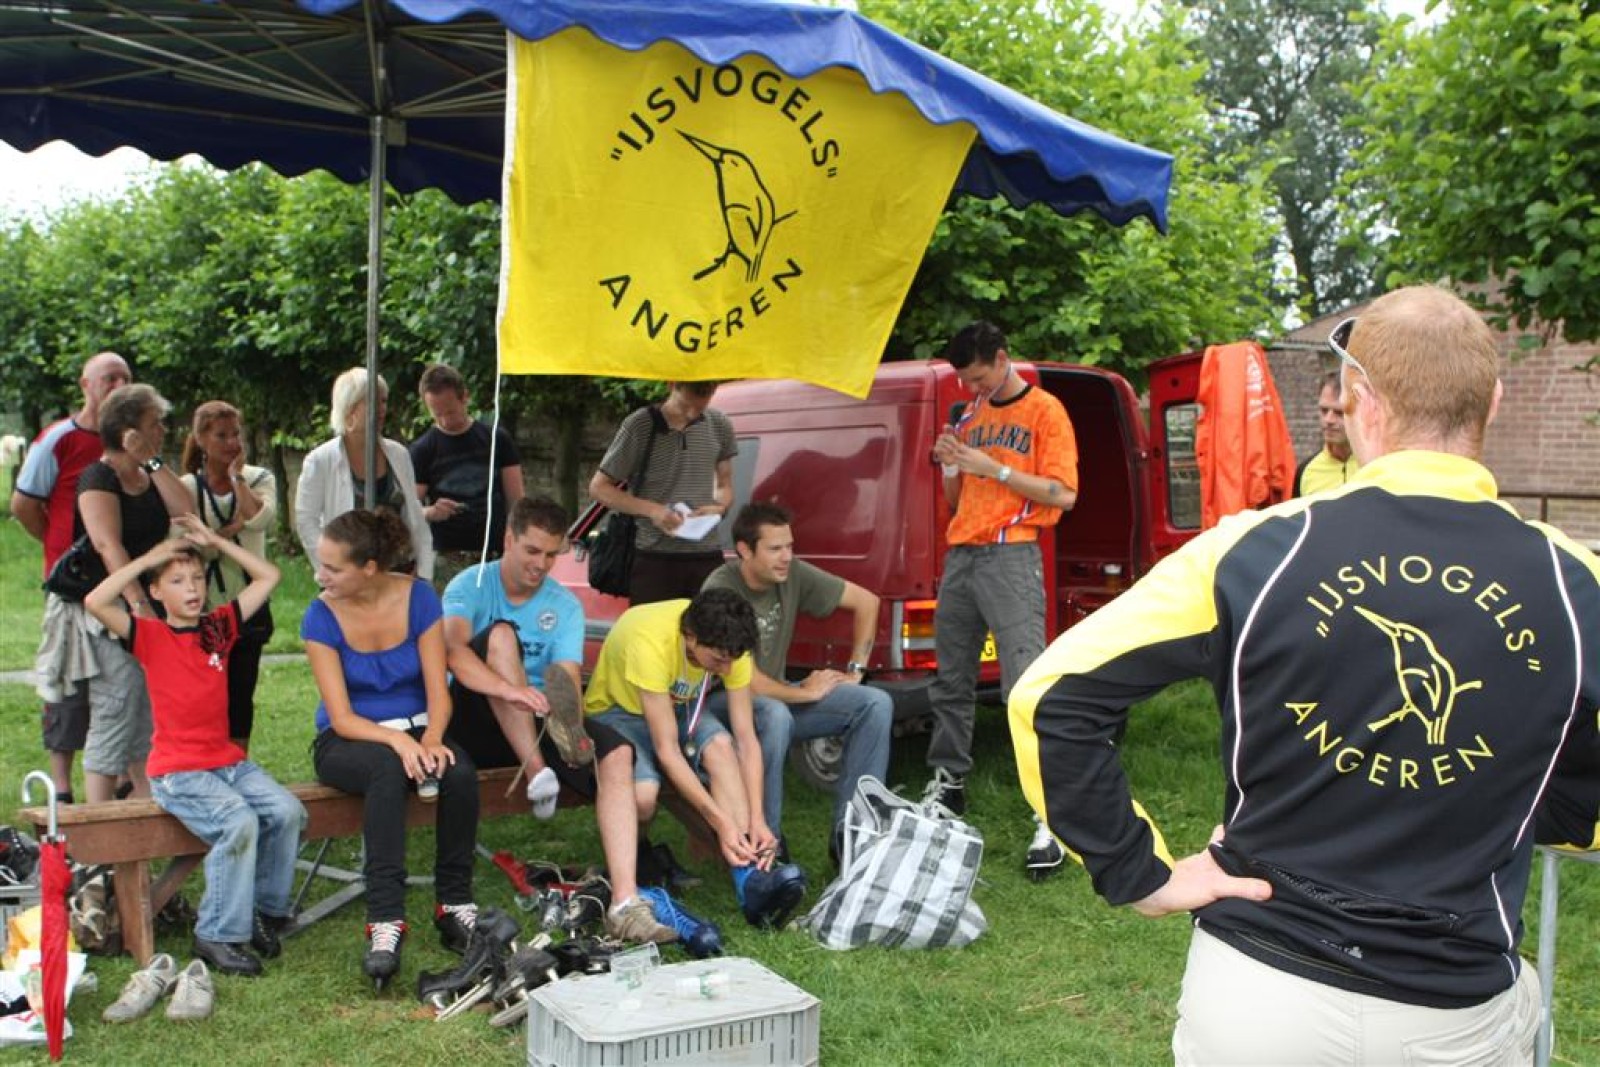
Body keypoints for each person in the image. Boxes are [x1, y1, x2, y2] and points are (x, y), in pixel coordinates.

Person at [1009, 284, 1600, 1064]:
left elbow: (1051, 695)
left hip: (1258, 1000)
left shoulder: (1255, 549)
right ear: (1492, 402)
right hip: (1451, 1015)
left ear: (1360, 402)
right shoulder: (1575, 583)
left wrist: (1138, 872)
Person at [440, 495, 676, 945]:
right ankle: (538, 773)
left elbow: (565, 677)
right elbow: (451, 652)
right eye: (532, 551)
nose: (541, 564)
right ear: (508, 539)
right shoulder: (469, 585)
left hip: (537, 716)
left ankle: (625, 902)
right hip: (474, 717)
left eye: (551, 555)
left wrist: (568, 718)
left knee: (618, 752)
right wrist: (508, 689)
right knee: (502, 636)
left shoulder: (564, 603)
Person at [85, 515, 304, 978]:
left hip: (225, 763)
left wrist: (214, 543)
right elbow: (95, 600)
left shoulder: (216, 630)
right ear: (156, 591)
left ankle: (263, 913)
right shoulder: (149, 636)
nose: (192, 588)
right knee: (238, 822)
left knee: (287, 812)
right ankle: (216, 933)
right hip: (178, 772)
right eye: (178, 581)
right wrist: (148, 559)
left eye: (198, 578)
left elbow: (269, 576)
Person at [923, 322, 1078, 869]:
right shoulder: (969, 414)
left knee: (1024, 686)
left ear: (1002, 358)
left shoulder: (1045, 411)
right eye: (966, 381)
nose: (973, 388)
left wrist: (998, 468)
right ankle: (948, 783)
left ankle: (1050, 813)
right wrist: (952, 462)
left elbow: (1064, 494)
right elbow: (955, 498)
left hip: (1012, 555)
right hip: (963, 555)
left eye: (978, 377)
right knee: (950, 678)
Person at [302, 509, 476, 988]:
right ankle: (385, 920)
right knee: (385, 769)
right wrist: (398, 740)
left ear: (370, 568)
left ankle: (454, 904)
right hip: (350, 739)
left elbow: (438, 690)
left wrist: (433, 738)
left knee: (459, 772)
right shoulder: (319, 615)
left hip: (419, 728)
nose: (320, 576)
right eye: (321, 564)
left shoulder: (419, 597)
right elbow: (341, 716)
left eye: (332, 568)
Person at [583, 588, 809, 928]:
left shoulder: (729, 645)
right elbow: (668, 751)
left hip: (677, 706)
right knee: (643, 799)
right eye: (718, 661)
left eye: (732, 660)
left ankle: (749, 882)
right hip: (618, 712)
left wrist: (757, 818)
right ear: (690, 637)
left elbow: (746, 740)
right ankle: (637, 859)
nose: (727, 668)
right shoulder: (650, 642)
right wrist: (721, 823)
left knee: (721, 746)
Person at [702, 501, 892, 860]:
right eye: (775, 548)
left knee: (874, 703)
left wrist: (855, 672)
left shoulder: (793, 574)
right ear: (745, 550)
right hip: (722, 705)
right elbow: (748, 683)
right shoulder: (721, 588)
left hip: (778, 699)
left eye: (790, 546)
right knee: (774, 714)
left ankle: (854, 836)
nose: (787, 557)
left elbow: (867, 602)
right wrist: (805, 692)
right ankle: (767, 844)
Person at [42, 383, 195, 804]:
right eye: (154, 423)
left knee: (145, 713)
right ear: (128, 431)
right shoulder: (98, 477)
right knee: (116, 706)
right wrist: (139, 607)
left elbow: (186, 511)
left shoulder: (148, 473)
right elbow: (108, 546)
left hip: (144, 608)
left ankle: (142, 816)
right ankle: (99, 825)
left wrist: (153, 460)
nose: (163, 430)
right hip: (107, 611)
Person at [12, 350, 132, 803]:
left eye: (124, 377)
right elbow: (24, 504)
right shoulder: (59, 439)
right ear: (86, 385)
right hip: (72, 588)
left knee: (120, 685)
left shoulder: (134, 442)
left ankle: (121, 778)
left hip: (118, 584)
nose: (118, 386)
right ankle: (61, 788)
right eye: (108, 378)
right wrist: (58, 547)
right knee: (65, 684)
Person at [180, 400, 278, 751]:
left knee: (240, 695)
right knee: (206, 693)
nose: (232, 443)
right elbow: (189, 548)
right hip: (205, 607)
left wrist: (237, 479)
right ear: (202, 440)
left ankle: (236, 760)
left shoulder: (259, 478)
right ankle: (205, 758)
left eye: (236, 434)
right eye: (221, 436)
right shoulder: (187, 488)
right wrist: (229, 531)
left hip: (248, 605)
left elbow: (260, 519)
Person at [587, 381, 735, 604]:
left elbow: (724, 485)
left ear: (714, 388)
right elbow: (599, 488)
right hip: (654, 559)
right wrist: (653, 510)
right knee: (652, 626)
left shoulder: (720, 424)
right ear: (672, 384)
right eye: (688, 402)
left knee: (715, 626)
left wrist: (720, 509)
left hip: (707, 556)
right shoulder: (640, 425)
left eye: (705, 396)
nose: (694, 411)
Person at [295, 367, 433, 581]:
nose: (382, 409)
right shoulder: (320, 461)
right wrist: (333, 570)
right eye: (373, 402)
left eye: (384, 401)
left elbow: (413, 512)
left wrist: (423, 570)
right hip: (349, 579)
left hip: (400, 573)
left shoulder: (398, 454)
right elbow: (306, 522)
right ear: (349, 407)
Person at [409, 363, 524, 589]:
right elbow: (409, 507)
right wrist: (430, 512)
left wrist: (516, 543)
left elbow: (516, 500)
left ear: (465, 398)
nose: (445, 420)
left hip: (493, 553)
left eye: (450, 412)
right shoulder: (423, 449)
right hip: (447, 555)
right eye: (437, 414)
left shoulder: (497, 439)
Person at [1293, 371, 1360, 496]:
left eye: (1339, 413)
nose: (1328, 420)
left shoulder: (1378, 466)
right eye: (1324, 410)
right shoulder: (1305, 471)